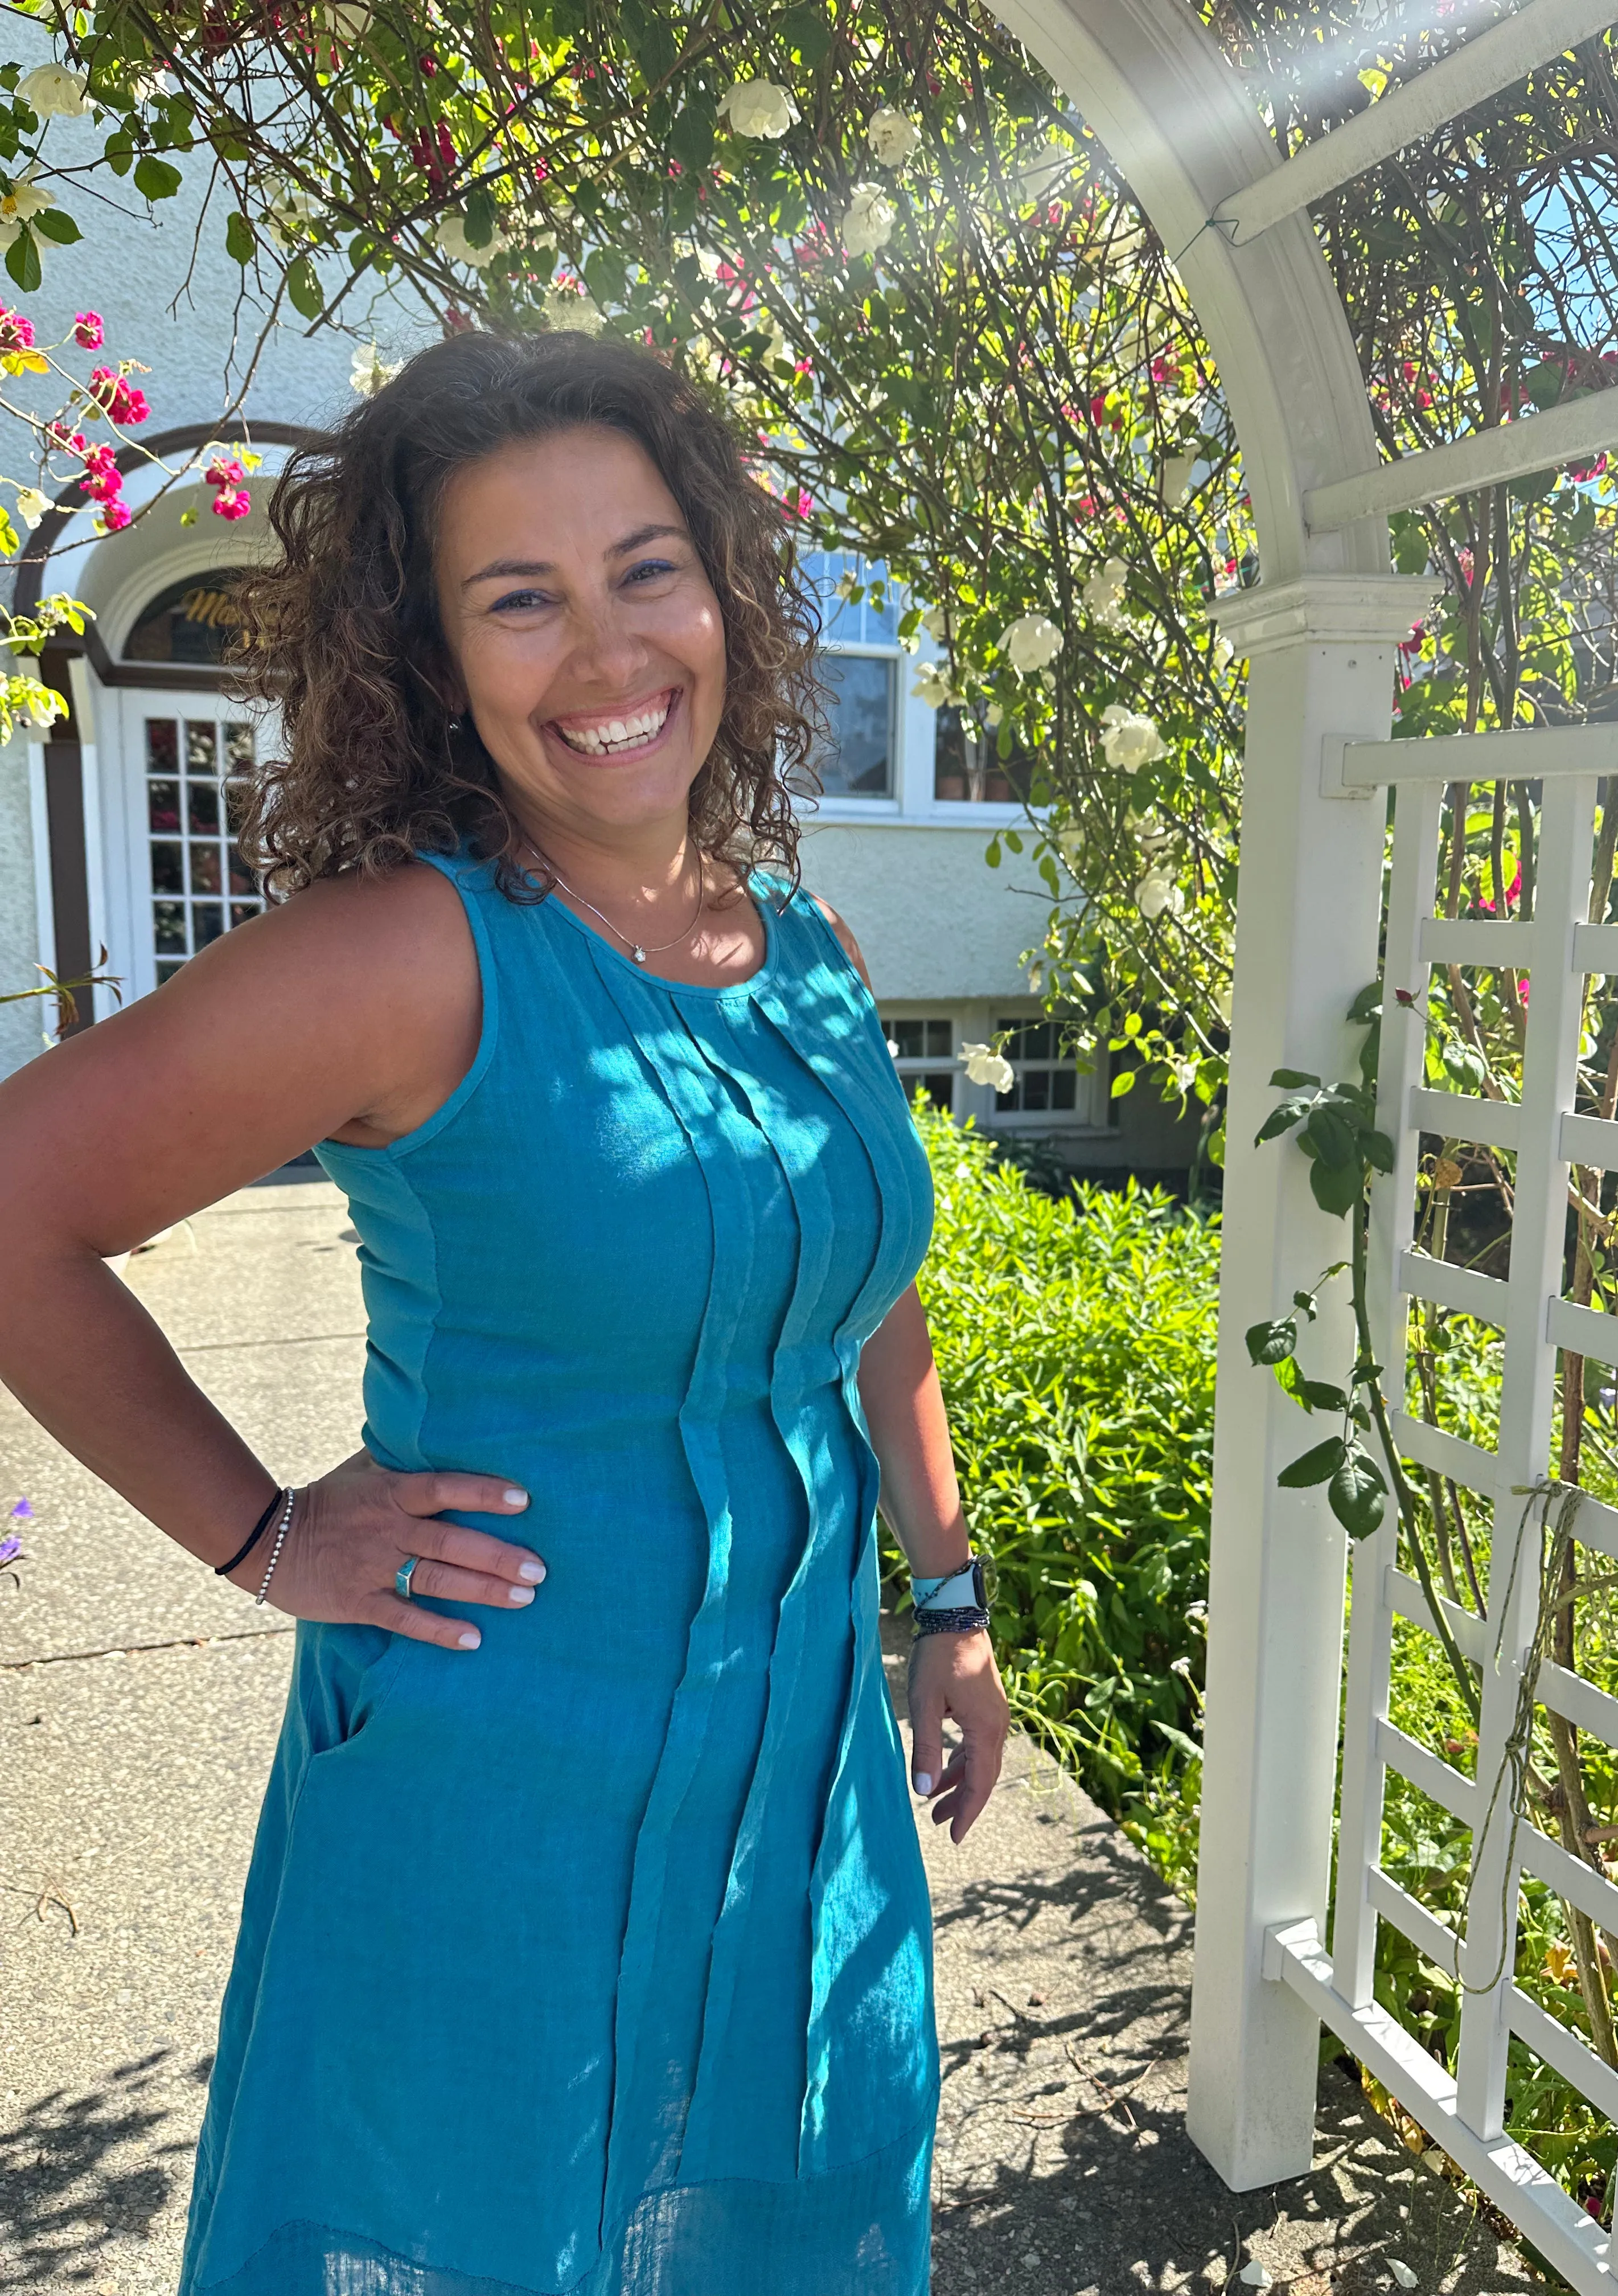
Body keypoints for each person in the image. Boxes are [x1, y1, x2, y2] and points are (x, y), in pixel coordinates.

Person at [0, 330, 1009, 2296]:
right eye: (519, 599)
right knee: (487, 2225)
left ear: (720, 588)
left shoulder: (810, 949)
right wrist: (266, 1533)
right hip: (498, 1790)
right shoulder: (405, 956)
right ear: (435, 656)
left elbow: (869, 1305)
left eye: (646, 568)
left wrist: (948, 1601)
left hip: (793, 1772)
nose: (611, 653)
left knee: (786, 2200)